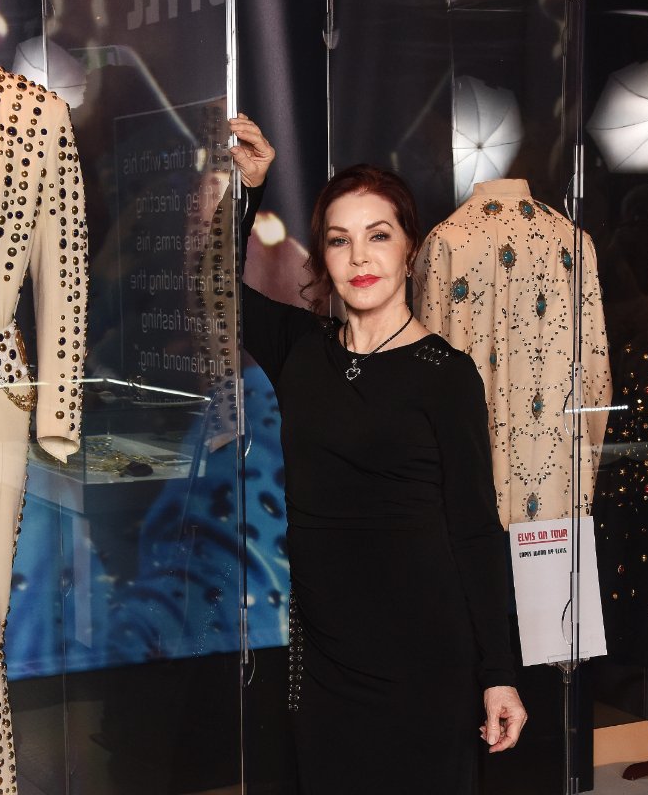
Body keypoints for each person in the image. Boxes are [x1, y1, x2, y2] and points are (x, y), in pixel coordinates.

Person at [230, 114, 526, 793]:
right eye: (339, 241)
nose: (360, 258)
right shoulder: (302, 352)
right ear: (322, 257)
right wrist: (248, 191)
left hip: (426, 657)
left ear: (411, 250)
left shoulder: (445, 374)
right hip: (327, 658)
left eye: (378, 236)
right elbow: (212, 290)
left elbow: (477, 531)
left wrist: (499, 673)